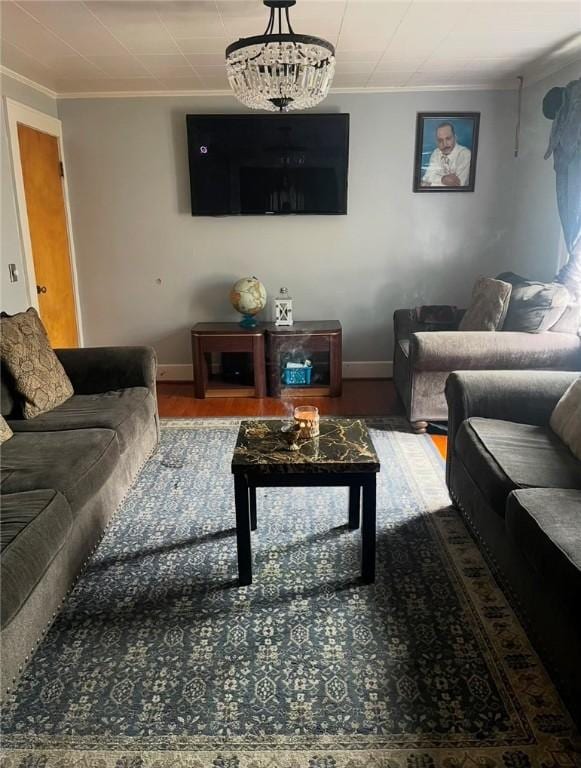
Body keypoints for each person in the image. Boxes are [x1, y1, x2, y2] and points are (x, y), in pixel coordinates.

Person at [421, 122, 471, 187]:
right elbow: (427, 177)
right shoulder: (436, 152)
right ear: (436, 142)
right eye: (440, 140)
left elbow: (459, 185)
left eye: (448, 139)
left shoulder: (465, 154)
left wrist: (431, 184)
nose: (444, 144)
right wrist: (443, 179)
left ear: (455, 138)